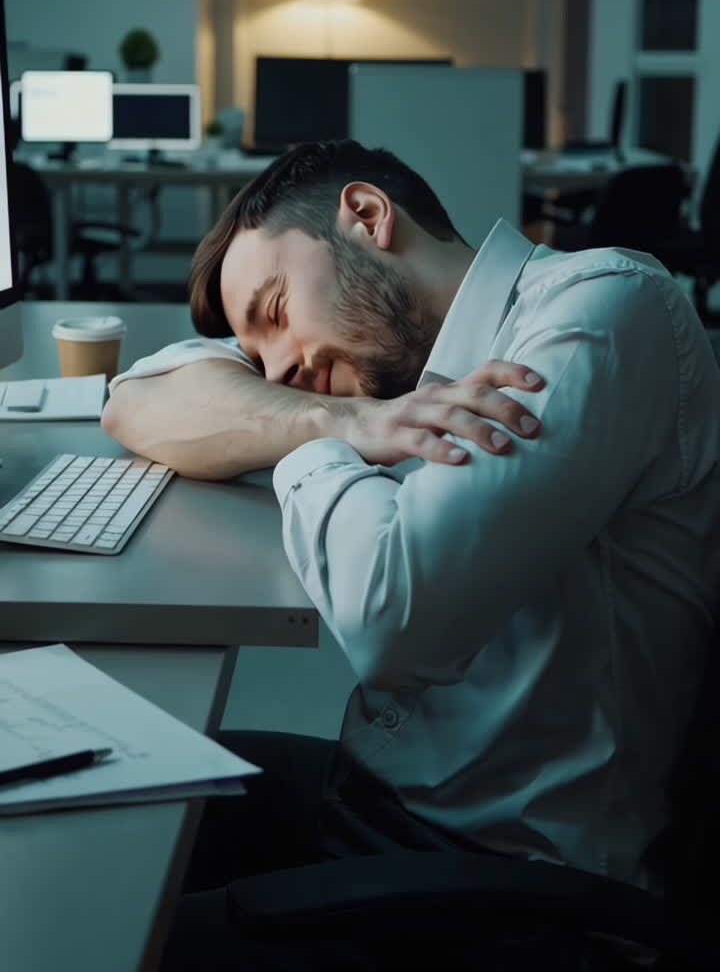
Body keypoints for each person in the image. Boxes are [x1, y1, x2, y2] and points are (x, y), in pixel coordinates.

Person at [102, 139, 720, 971]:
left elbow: (396, 621)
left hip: (512, 893)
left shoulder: (598, 312)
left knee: (92, 945)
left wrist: (288, 433)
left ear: (365, 217)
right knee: (110, 802)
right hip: (384, 799)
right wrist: (336, 422)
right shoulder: (393, 389)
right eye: (257, 358)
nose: (280, 370)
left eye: (277, 308)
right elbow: (134, 400)